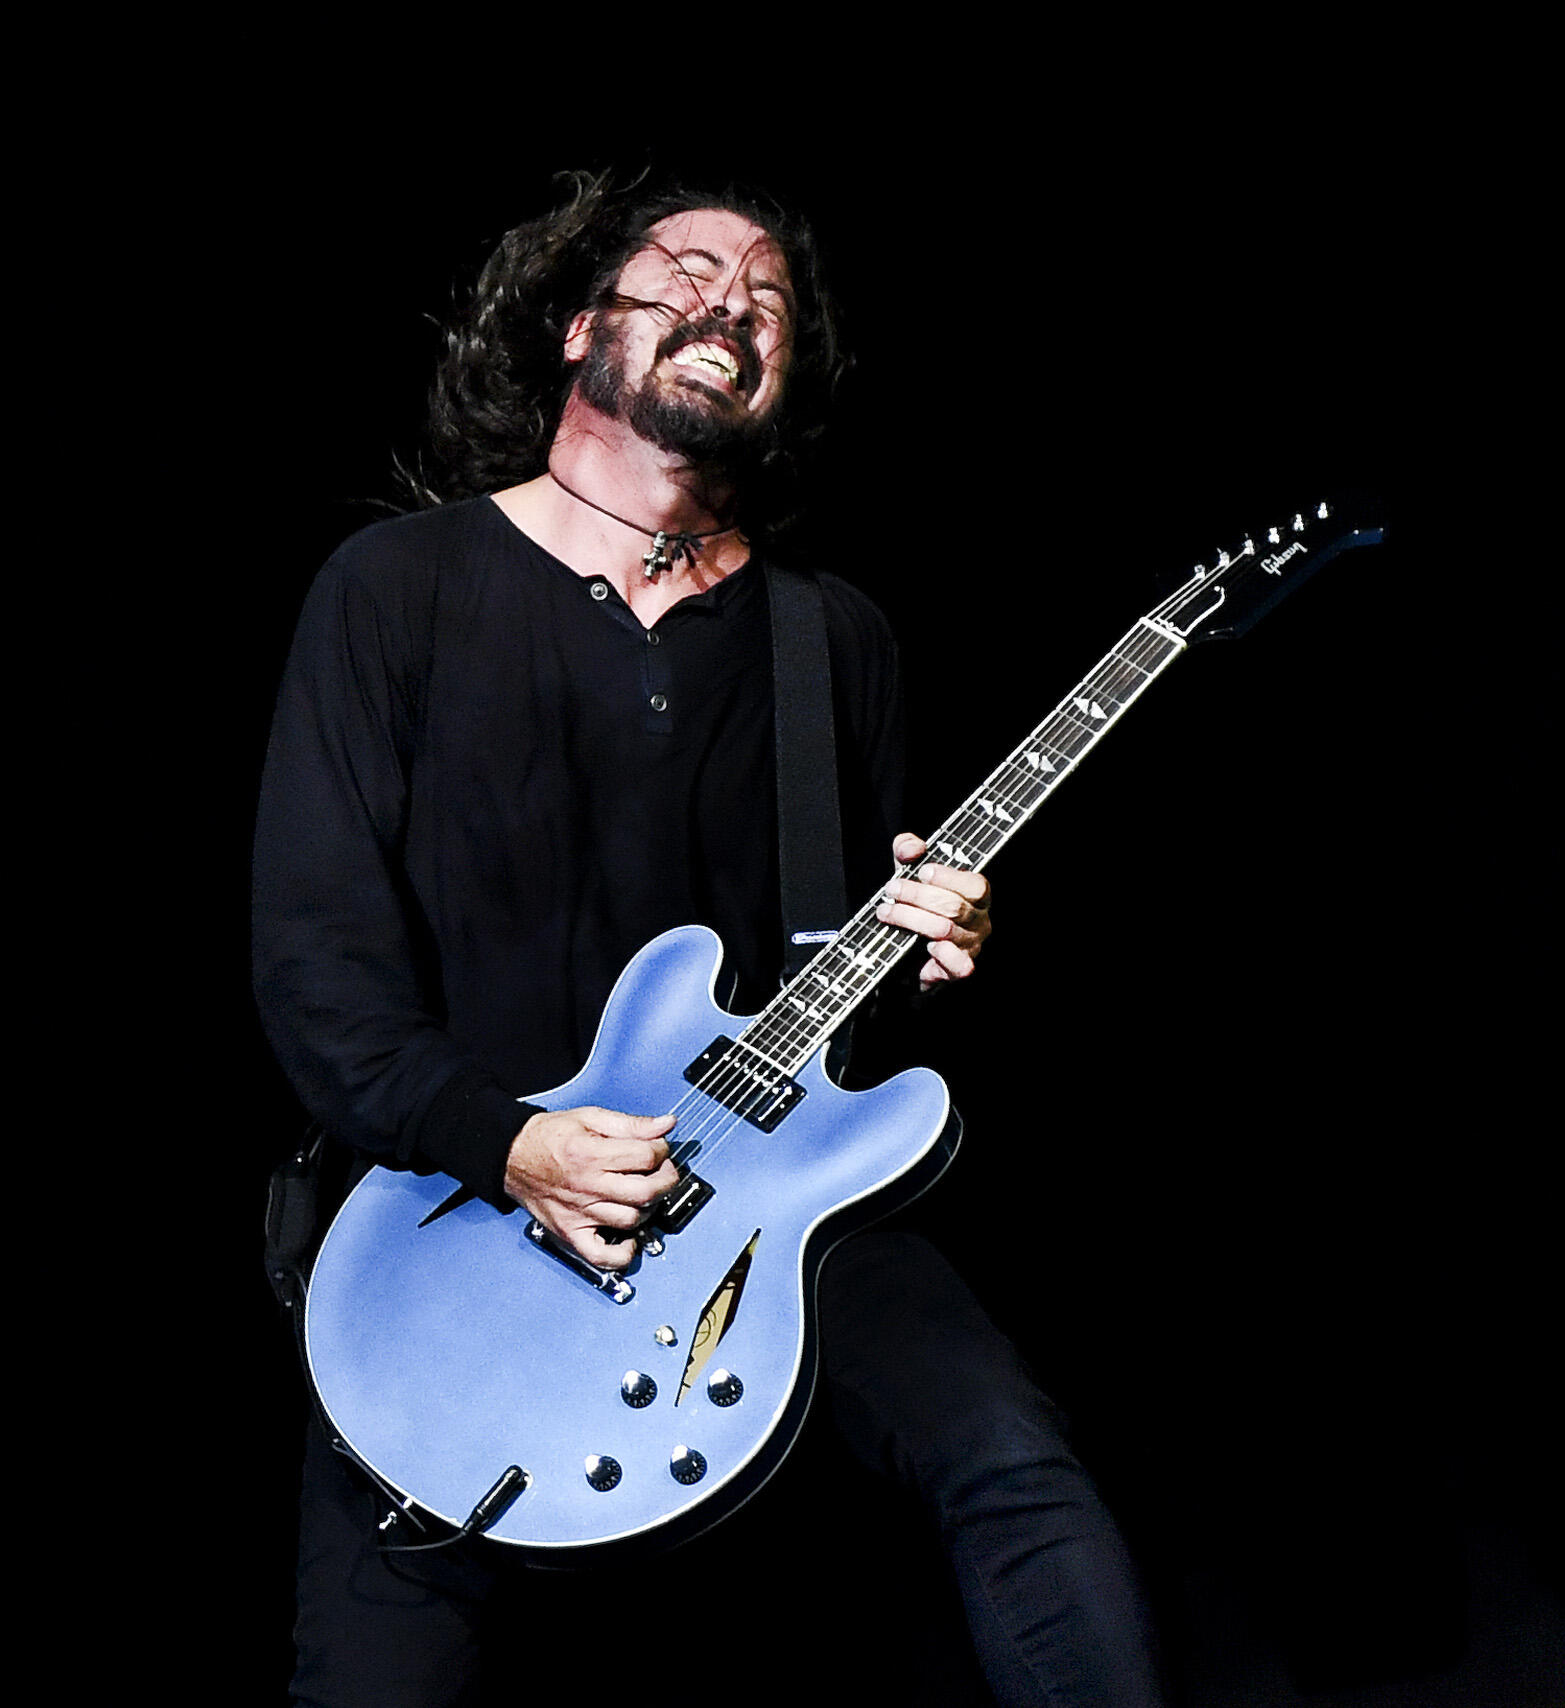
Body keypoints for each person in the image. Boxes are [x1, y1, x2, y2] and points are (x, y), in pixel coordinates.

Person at [254, 169, 1162, 1707]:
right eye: (685, 272)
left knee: (1016, 1469)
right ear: (576, 328)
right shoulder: (394, 591)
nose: (729, 306)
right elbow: (314, 965)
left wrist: (932, 956)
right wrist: (509, 1145)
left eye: (768, 303)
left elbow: (845, 1024)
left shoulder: (831, 641)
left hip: (755, 1211)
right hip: (452, 1233)